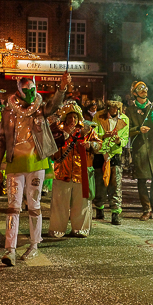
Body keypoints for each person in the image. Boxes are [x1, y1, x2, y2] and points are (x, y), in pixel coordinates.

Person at [0, 73, 70, 266]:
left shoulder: (40, 109)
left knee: (34, 205)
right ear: (18, 91)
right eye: (26, 90)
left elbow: (55, 105)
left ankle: (34, 245)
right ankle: (10, 249)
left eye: (33, 89)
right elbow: (1, 140)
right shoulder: (8, 112)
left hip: (36, 163)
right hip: (15, 164)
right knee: (13, 207)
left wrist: (62, 87)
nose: (30, 93)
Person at [47, 102, 101, 238]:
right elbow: (50, 148)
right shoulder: (57, 131)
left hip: (81, 173)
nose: (72, 120)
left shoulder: (87, 130)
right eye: (70, 117)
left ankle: (80, 229)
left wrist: (90, 145)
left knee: (82, 203)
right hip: (62, 172)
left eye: (75, 117)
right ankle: (57, 229)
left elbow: (99, 144)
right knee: (59, 203)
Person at [126, 81, 153, 221]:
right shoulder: (130, 110)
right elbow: (127, 130)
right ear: (134, 93)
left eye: (145, 87)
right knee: (142, 179)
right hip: (141, 148)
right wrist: (138, 129)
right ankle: (146, 209)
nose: (144, 90)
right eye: (140, 88)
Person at [92, 96, 129, 225]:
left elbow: (125, 137)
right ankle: (99, 208)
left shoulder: (124, 119)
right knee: (99, 184)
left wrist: (119, 141)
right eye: (112, 107)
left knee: (115, 185)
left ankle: (115, 213)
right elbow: (93, 134)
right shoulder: (98, 116)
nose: (115, 109)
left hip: (115, 155)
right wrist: (103, 136)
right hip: (100, 153)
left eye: (117, 107)